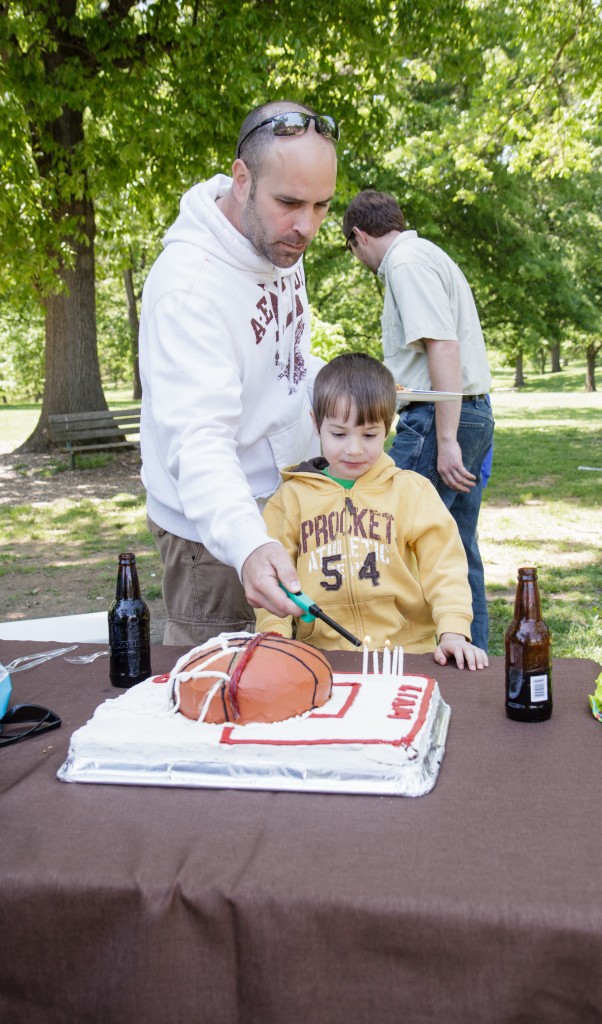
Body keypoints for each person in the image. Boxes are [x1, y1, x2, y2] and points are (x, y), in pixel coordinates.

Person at [139, 101, 339, 645]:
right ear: (242, 178)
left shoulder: (277, 243)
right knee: (222, 701)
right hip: (215, 537)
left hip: (282, 503)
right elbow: (199, 442)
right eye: (290, 203)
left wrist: (346, 389)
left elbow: (284, 363)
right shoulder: (188, 289)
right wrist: (248, 544)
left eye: (322, 205)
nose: (307, 227)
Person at [256, 354, 488, 670]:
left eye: (369, 435)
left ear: (388, 426)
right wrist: (275, 637)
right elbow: (275, 579)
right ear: (316, 424)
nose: (354, 448)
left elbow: (444, 567)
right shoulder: (290, 500)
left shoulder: (412, 492)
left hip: (409, 656)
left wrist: (454, 631)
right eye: (339, 434)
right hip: (323, 659)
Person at [342, 190, 494, 651]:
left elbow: (442, 346)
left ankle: (407, 657)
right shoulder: (426, 254)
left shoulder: (405, 263)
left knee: (394, 536)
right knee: (457, 546)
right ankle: (474, 657)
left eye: (352, 250)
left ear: (359, 237)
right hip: (469, 411)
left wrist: (445, 439)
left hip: (439, 418)